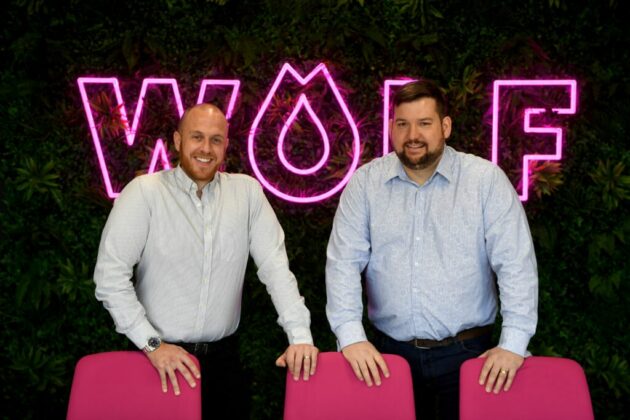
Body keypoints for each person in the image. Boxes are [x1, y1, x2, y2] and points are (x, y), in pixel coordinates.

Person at [325, 80, 538, 419]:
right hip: (386, 357)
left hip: (469, 357)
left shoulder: (484, 181)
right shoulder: (366, 183)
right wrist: (351, 337)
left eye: (424, 123)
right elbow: (343, 264)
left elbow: (516, 265)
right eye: (403, 124)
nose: (413, 135)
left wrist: (513, 344)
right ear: (392, 127)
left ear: (446, 126)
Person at [94, 103, 318, 419]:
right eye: (196, 137)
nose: (206, 148)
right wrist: (153, 345)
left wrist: (301, 339)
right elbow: (110, 279)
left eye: (215, 139)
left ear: (226, 145)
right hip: (155, 361)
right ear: (177, 140)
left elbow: (276, 270)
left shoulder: (247, 193)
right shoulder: (144, 193)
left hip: (223, 365)